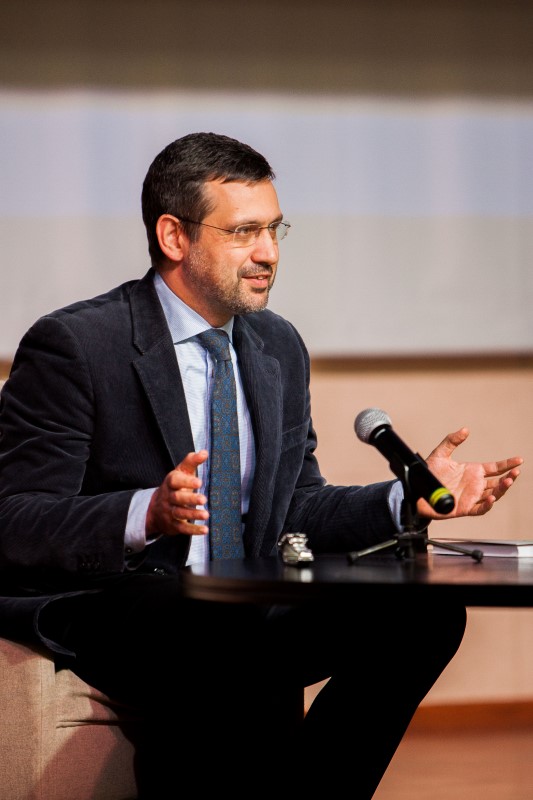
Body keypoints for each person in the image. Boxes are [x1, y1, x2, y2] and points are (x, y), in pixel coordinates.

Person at [0, 132, 523, 798]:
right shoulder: (77, 343)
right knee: (209, 621)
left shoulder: (277, 344)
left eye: (275, 229)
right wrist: (145, 512)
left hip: (242, 599)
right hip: (119, 599)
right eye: (244, 231)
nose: (269, 253)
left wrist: (405, 499)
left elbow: (297, 502)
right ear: (174, 235)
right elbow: (16, 518)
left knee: (422, 615)